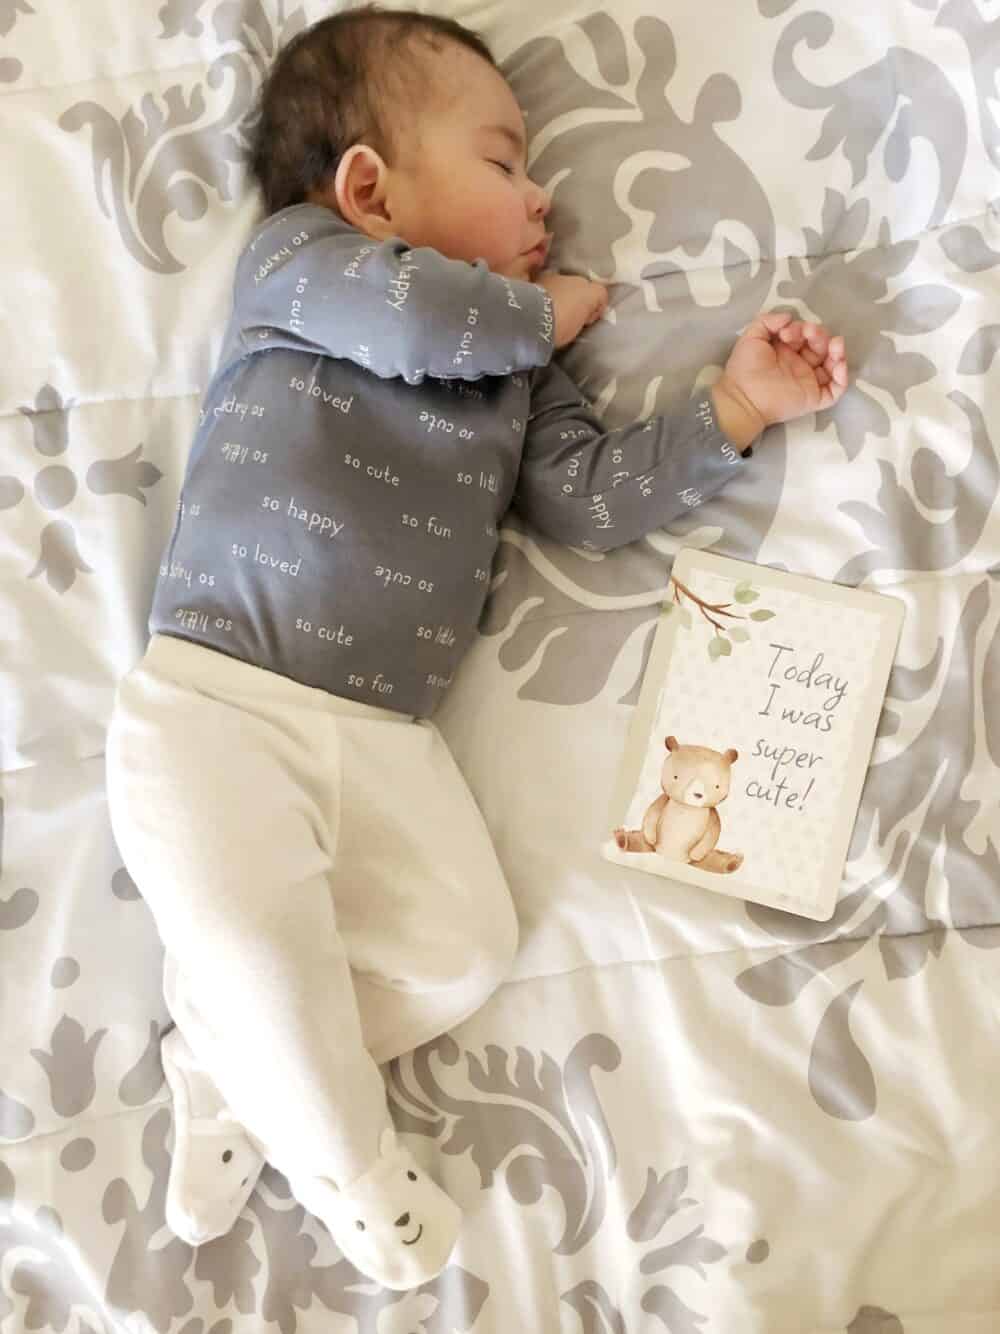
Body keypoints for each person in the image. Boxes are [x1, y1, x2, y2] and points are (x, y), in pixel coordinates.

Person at [105, 4, 849, 1290]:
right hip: (218, 704)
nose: (544, 195)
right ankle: (356, 1177)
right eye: (505, 163)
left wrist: (733, 406)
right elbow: (418, 326)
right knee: (255, 934)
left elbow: (583, 498)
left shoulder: (515, 368)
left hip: (387, 740)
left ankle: (223, 1064)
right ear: (368, 190)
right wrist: (541, 314)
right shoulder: (302, 267)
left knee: (460, 946)